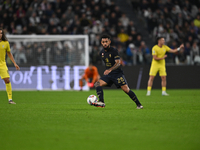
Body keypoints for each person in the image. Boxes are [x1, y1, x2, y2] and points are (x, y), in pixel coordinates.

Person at [91, 34, 143, 109]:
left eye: (106, 41)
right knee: (97, 84)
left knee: (126, 90)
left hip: (117, 74)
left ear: (109, 42)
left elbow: (118, 63)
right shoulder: (101, 53)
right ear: (101, 43)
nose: (105, 43)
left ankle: (139, 105)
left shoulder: (114, 51)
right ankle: (101, 102)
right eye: (103, 42)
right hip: (109, 75)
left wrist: (110, 69)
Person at [0, 28, 20, 104]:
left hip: (2, 65)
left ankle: (10, 99)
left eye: (1, 33)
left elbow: (9, 53)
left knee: (7, 80)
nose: (0, 34)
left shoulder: (5, 43)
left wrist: (15, 63)